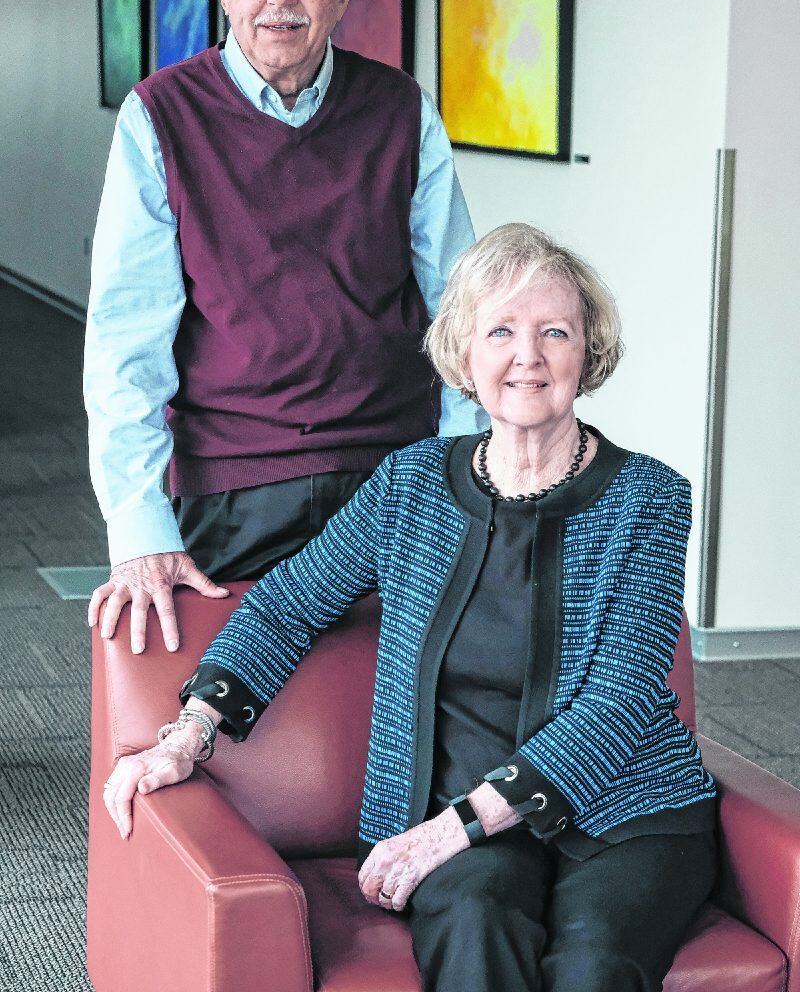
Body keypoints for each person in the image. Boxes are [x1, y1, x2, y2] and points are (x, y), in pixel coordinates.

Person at [102, 224, 717, 992]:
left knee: (594, 966)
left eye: (554, 331)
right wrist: (189, 736)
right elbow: (287, 606)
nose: (527, 355)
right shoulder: (411, 485)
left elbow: (619, 702)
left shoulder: (649, 498)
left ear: (587, 355)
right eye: (501, 331)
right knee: (474, 928)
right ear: (466, 355)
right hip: (457, 814)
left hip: (625, 809)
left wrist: (450, 831)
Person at [84, 0, 483, 656]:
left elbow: (461, 306)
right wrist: (138, 526)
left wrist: (462, 472)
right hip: (230, 481)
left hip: (393, 469)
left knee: (401, 708)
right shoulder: (161, 116)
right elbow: (127, 339)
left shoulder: (403, 109)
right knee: (218, 708)